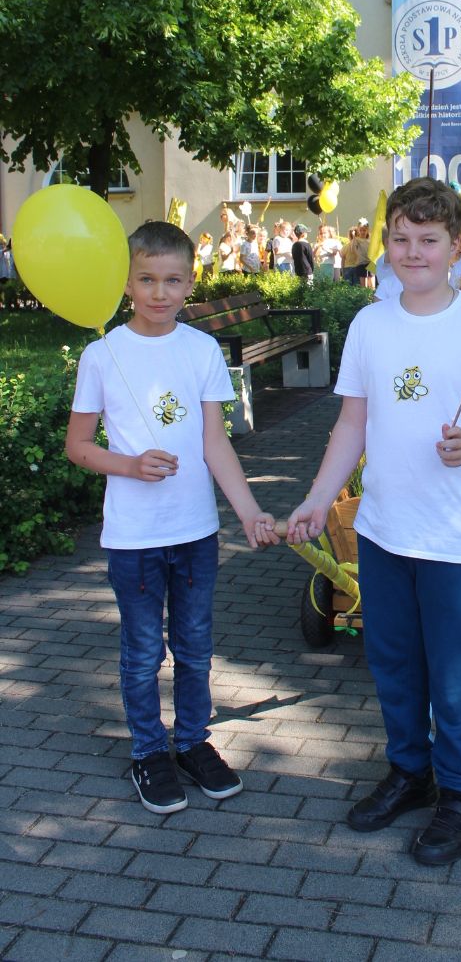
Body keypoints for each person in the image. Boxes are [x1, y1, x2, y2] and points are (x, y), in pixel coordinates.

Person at [283, 178, 461, 865]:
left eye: (429, 240)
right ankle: (409, 773)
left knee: (454, 676)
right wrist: (316, 498)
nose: (412, 252)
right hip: (384, 532)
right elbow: (351, 425)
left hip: (454, 539)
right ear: (385, 242)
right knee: (391, 664)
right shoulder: (370, 324)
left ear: (457, 248)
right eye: (401, 239)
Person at [65, 221, 277, 815]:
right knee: (140, 651)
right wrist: (129, 465)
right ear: (127, 280)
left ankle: (192, 743)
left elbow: (216, 443)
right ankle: (148, 752)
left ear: (191, 282)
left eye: (174, 280)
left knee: (195, 646)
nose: (160, 292)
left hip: (195, 534)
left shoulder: (202, 349)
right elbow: (78, 446)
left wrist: (250, 511)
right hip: (133, 538)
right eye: (147, 279)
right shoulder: (101, 354)